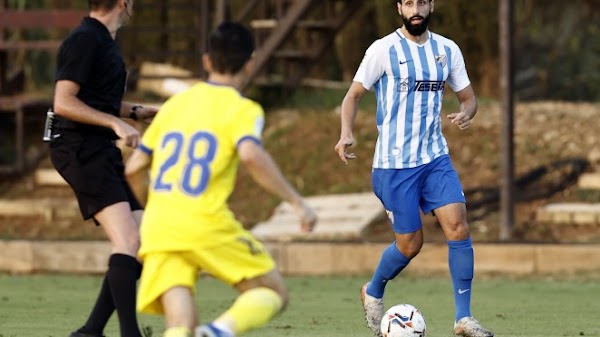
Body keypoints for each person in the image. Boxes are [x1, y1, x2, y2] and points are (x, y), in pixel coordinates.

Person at [124, 21, 317, 337]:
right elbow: (252, 155)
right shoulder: (242, 109)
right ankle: (216, 333)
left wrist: (150, 211)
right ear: (250, 62)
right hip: (204, 220)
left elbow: (133, 168)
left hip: (160, 225)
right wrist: (296, 202)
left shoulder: (174, 106)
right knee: (272, 293)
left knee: (178, 325)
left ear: (207, 60)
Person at [334, 1, 494, 337]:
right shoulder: (383, 49)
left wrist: (468, 111)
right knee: (410, 244)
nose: (415, 9)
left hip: (435, 158)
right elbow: (353, 96)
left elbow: (469, 97)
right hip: (393, 166)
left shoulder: (446, 50)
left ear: (431, 5)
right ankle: (373, 289)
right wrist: (346, 132)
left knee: (458, 226)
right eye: (408, 3)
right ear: (400, 8)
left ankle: (463, 319)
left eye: (421, 2)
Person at [49, 1, 158, 336]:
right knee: (128, 239)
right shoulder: (85, 38)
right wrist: (114, 123)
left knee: (145, 240)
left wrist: (136, 112)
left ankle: (91, 331)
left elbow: (95, 99)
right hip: (78, 149)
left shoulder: (102, 40)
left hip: (98, 149)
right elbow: (63, 102)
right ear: (123, 3)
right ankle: (129, 333)